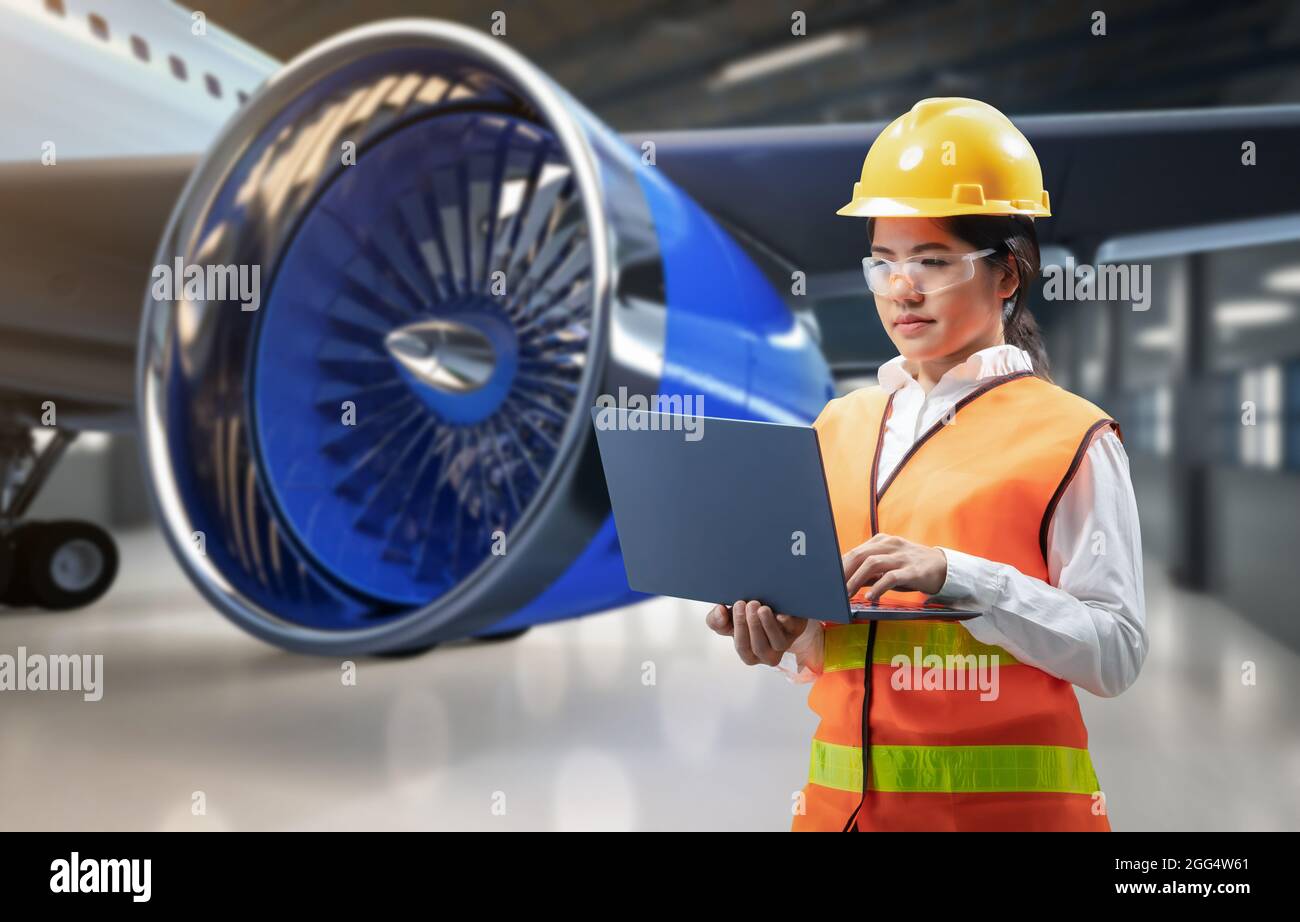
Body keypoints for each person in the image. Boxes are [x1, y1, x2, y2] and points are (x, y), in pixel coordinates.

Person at [705, 97, 1146, 832]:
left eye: (932, 262)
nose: (901, 290)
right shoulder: (837, 428)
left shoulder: (1072, 437)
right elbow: (838, 647)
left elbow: (1117, 652)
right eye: (883, 264)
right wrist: (783, 636)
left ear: (1008, 275)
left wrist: (957, 576)